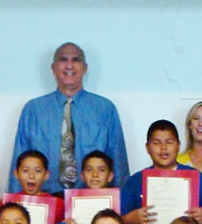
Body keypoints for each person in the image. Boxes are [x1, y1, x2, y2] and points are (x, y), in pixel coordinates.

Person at [9, 42, 129, 194]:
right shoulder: (33, 110)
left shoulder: (105, 109)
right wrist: (14, 202)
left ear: (85, 68)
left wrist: (122, 204)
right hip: (44, 198)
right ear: (53, 68)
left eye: (76, 60)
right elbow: (19, 161)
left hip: (91, 198)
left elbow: (118, 160)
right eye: (63, 59)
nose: (69, 65)